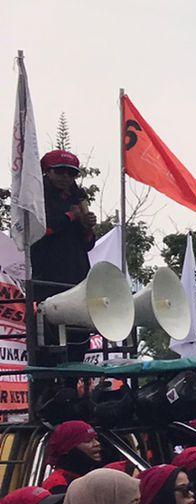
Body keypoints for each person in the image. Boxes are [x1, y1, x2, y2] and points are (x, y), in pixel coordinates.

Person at [30, 150, 95, 353]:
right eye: (60, 172)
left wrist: (86, 227)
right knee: (48, 337)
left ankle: (73, 382)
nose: (66, 177)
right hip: (48, 278)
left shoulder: (77, 198)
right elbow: (40, 230)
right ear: (47, 172)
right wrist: (70, 216)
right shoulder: (37, 197)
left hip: (76, 279)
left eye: (71, 173)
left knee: (78, 336)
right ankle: (46, 384)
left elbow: (88, 245)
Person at [40, 421, 119, 494]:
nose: (97, 443)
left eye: (96, 439)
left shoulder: (96, 476)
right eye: (88, 440)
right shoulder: (57, 484)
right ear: (69, 448)